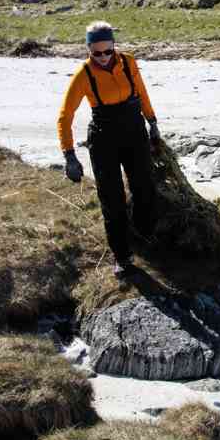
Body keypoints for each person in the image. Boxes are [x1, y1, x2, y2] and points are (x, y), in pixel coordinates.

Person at [57, 21, 161, 278]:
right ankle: (122, 256)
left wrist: (153, 122)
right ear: (89, 49)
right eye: (97, 53)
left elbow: (142, 92)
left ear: (114, 46)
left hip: (135, 132)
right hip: (104, 139)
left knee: (144, 187)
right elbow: (65, 116)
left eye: (108, 51)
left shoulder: (128, 62)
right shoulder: (83, 75)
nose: (103, 58)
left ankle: (142, 238)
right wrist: (69, 155)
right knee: (111, 199)